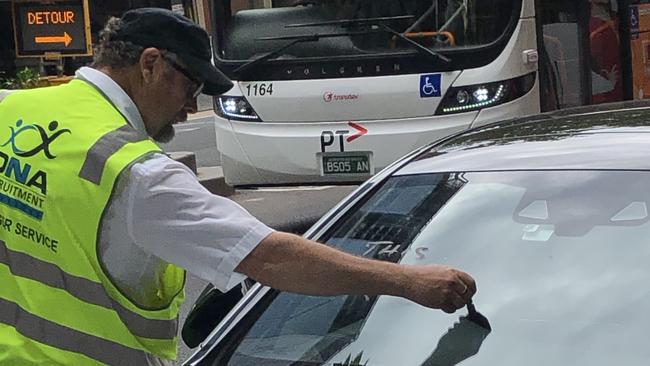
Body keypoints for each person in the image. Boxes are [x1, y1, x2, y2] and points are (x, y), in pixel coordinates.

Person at [0, 8, 476, 365]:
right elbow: (271, 257)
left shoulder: (11, 112)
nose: (191, 106)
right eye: (191, 87)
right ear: (149, 64)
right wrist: (408, 281)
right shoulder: (136, 175)